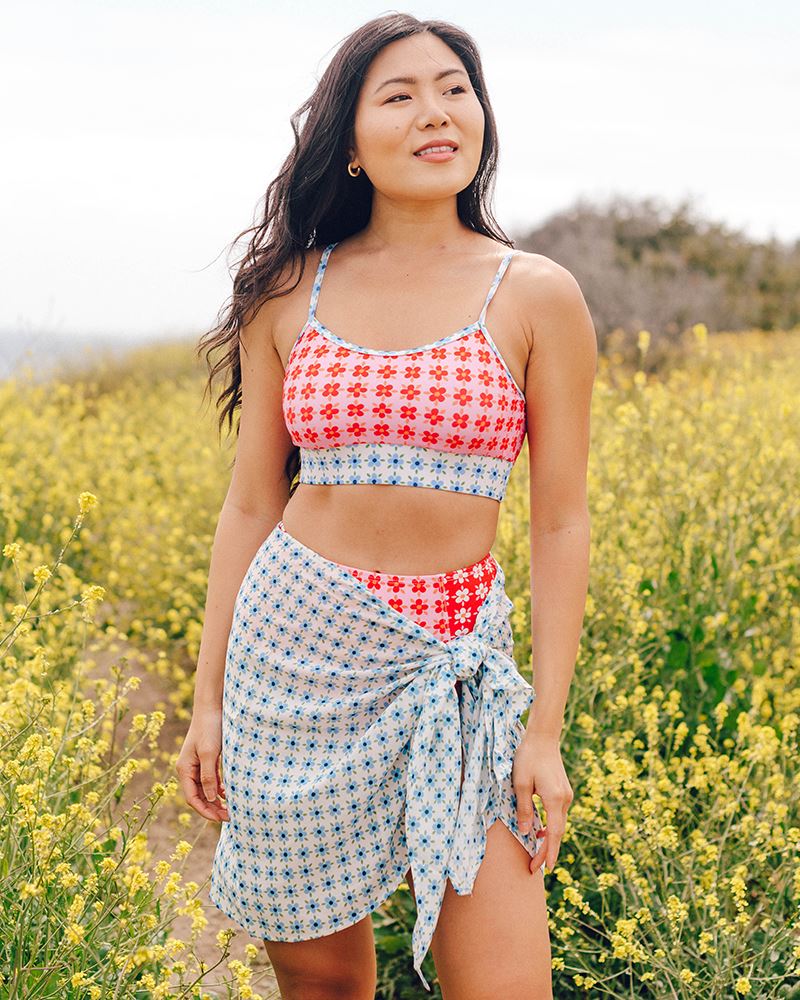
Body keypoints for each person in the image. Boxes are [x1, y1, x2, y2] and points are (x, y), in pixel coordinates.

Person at [176, 12, 596, 999]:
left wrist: (543, 729)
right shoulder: (289, 291)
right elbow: (250, 505)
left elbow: (559, 520)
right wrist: (207, 700)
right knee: (325, 986)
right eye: (399, 96)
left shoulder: (536, 294)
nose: (435, 113)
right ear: (351, 143)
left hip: (456, 669)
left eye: (454, 90)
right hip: (293, 662)